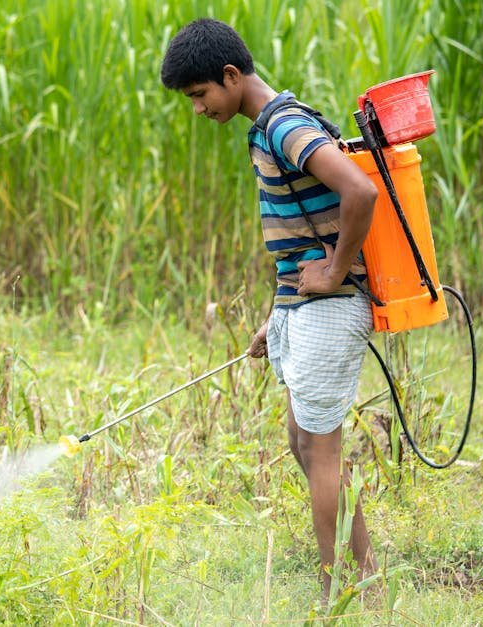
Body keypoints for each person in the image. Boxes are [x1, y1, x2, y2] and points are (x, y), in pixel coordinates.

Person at [160, 18, 379, 602]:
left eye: (200, 95)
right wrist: (277, 317)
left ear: (230, 77)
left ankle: (336, 594)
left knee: (321, 446)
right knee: (303, 442)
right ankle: (365, 576)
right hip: (304, 307)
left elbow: (361, 192)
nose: (199, 109)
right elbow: (301, 236)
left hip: (333, 306)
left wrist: (334, 273)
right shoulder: (266, 128)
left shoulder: (284, 125)